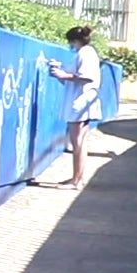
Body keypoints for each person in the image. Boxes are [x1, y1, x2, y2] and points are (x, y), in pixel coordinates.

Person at [46, 25, 101, 188]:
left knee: (77, 142)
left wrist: (64, 75)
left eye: (71, 42)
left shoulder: (85, 53)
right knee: (80, 142)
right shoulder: (85, 53)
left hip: (80, 104)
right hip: (82, 103)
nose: (70, 46)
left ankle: (76, 180)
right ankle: (78, 178)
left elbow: (86, 77)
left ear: (75, 41)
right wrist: (61, 73)